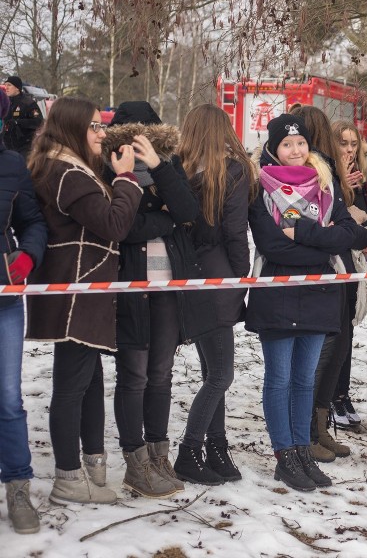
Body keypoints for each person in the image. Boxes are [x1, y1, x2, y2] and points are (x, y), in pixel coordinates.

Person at [27, 97, 143, 505]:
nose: (101, 133)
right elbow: (113, 224)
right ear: (74, 128)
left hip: (86, 289)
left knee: (90, 382)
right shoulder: (67, 173)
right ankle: (67, 477)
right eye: (94, 126)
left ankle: (92, 471)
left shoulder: (68, 168)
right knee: (73, 386)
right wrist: (127, 179)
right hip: (77, 289)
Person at [246, 114, 367, 491]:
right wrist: (321, 242)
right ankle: (285, 455)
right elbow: (271, 245)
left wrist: (301, 231)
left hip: (320, 297)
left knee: (304, 380)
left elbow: (354, 234)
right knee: (280, 378)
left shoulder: (326, 185)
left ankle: (303, 449)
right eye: (287, 144)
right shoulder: (260, 189)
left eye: (301, 143)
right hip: (277, 296)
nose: (296, 150)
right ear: (274, 149)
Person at [104, 101, 214, 497]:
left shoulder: (168, 165)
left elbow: (190, 211)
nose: (140, 145)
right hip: (128, 284)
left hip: (168, 284)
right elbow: (122, 228)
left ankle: (157, 453)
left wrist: (161, 166)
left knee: (161, 374)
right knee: (133, 374)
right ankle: (135, 462)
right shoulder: (109, 169)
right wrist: (167, 219)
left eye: (148, 137)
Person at [172, 104, 256, 485]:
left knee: (212, 371)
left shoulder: (177, 170)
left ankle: (216, 446)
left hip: (187, 275)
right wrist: (242, 278)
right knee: (221, 375)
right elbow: (236, 232)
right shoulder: (232, 171)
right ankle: (190, 451)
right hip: (219, 277)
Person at [0, 87, 47, 534]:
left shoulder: (12, 163)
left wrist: (26, 257)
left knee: (9, 400)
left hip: (4, 300)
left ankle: (17, 485)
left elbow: (32, 221)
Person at [326, 120, 367, 432]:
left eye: (353, 143)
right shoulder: (327, 174)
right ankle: (331, 395)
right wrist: (342, 185)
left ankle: (342, 394)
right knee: (336, 334)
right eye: (342, 143)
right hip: (333, 263)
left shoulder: (365, 178)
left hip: (356, 261)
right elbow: (330, 214)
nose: (348, 149)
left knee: (349, 331)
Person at [2, 76, 42, 156]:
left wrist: (18, 122)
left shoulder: (28, 103)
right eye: (5, 85)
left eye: (9, 85)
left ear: (17, 88)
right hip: (7, 147)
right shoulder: (5, 103)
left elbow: (39, 122)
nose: (6, 87)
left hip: (24, 148)